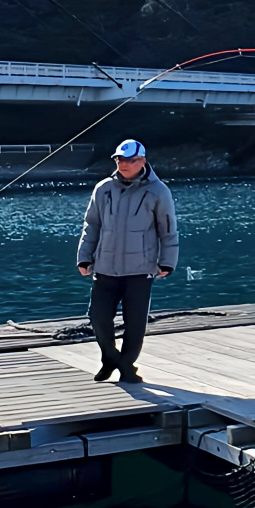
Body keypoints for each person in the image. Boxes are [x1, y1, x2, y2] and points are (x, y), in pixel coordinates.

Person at [76, 138, 177, 382]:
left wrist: (167, 262)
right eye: (119, 159)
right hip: (105, 267)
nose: (123, 164)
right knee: (98, 317)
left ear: (142, 161)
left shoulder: (158, 191)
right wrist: (84, 257)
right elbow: (92, 225)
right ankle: (110, 358)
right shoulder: (103, 189)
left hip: (140, 269)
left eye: (129, 160)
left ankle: (126, 366)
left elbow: (168, 229)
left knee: (135, 323)